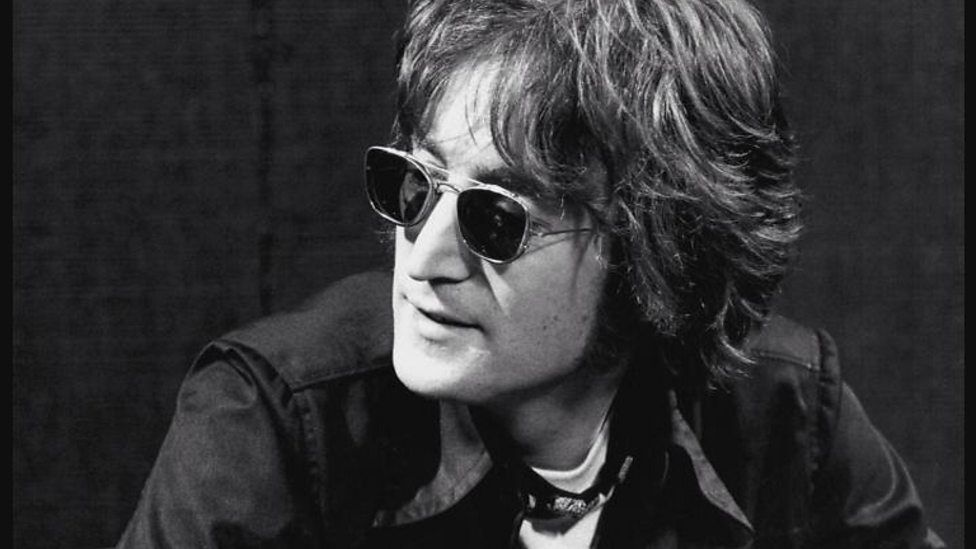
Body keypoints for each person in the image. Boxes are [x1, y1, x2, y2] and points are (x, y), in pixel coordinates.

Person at [117, 0, 944, 547]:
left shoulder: (786, 417)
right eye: (413, 183)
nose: (423, 257)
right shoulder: (271, 428)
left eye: (495, 218)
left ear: (654, 251)